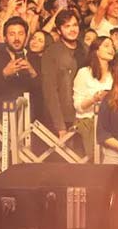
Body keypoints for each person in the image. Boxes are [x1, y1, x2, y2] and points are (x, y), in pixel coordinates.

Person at [42, 10, 87, 140]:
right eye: (67, 26)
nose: (72, 29)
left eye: (74, 25)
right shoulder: (52, 52)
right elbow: (50, 90)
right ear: (59, 30)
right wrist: (60, 126)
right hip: (64, 116)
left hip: (85, 114)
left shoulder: (85, 48)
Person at [0, 16, 39, 116]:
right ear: (5, 38)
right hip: (1, 116)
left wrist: (32, 72)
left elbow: (43, 92)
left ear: (26, 36)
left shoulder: (35, 58)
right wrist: (4, 74)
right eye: (12, 34)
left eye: (21, 34)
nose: (17, 39)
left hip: (31, 117)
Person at [72, 37, 116, 156]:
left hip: (111, 120)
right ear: (96, 50)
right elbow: (78, 106)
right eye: (106, 45)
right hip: (88, 119)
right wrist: (94, 99)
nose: (111, 49)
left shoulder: (115, 73)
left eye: (112, 46)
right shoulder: (84, 73)